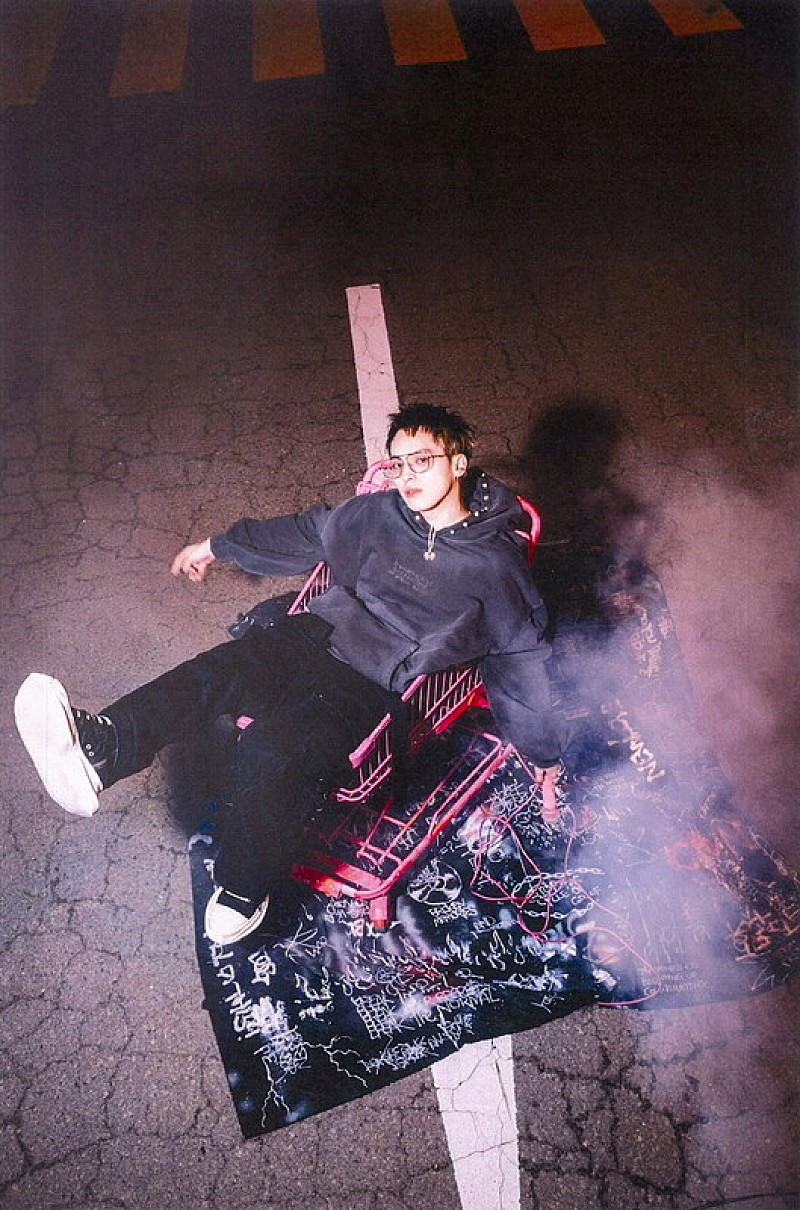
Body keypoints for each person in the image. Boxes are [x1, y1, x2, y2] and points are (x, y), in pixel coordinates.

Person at [15, 405, 562, 945]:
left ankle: (242, 888)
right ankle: (106, 745)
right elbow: (307, 531)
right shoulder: (380, 513)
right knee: (219, 670)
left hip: (374, 680)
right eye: (398, 464)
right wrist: (218, 546)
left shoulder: (494, 567)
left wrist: (544, 753)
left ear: (459, 463)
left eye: (423, 460)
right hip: (316, 633)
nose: (407, 476)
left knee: (275, 748)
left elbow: (521, 659)